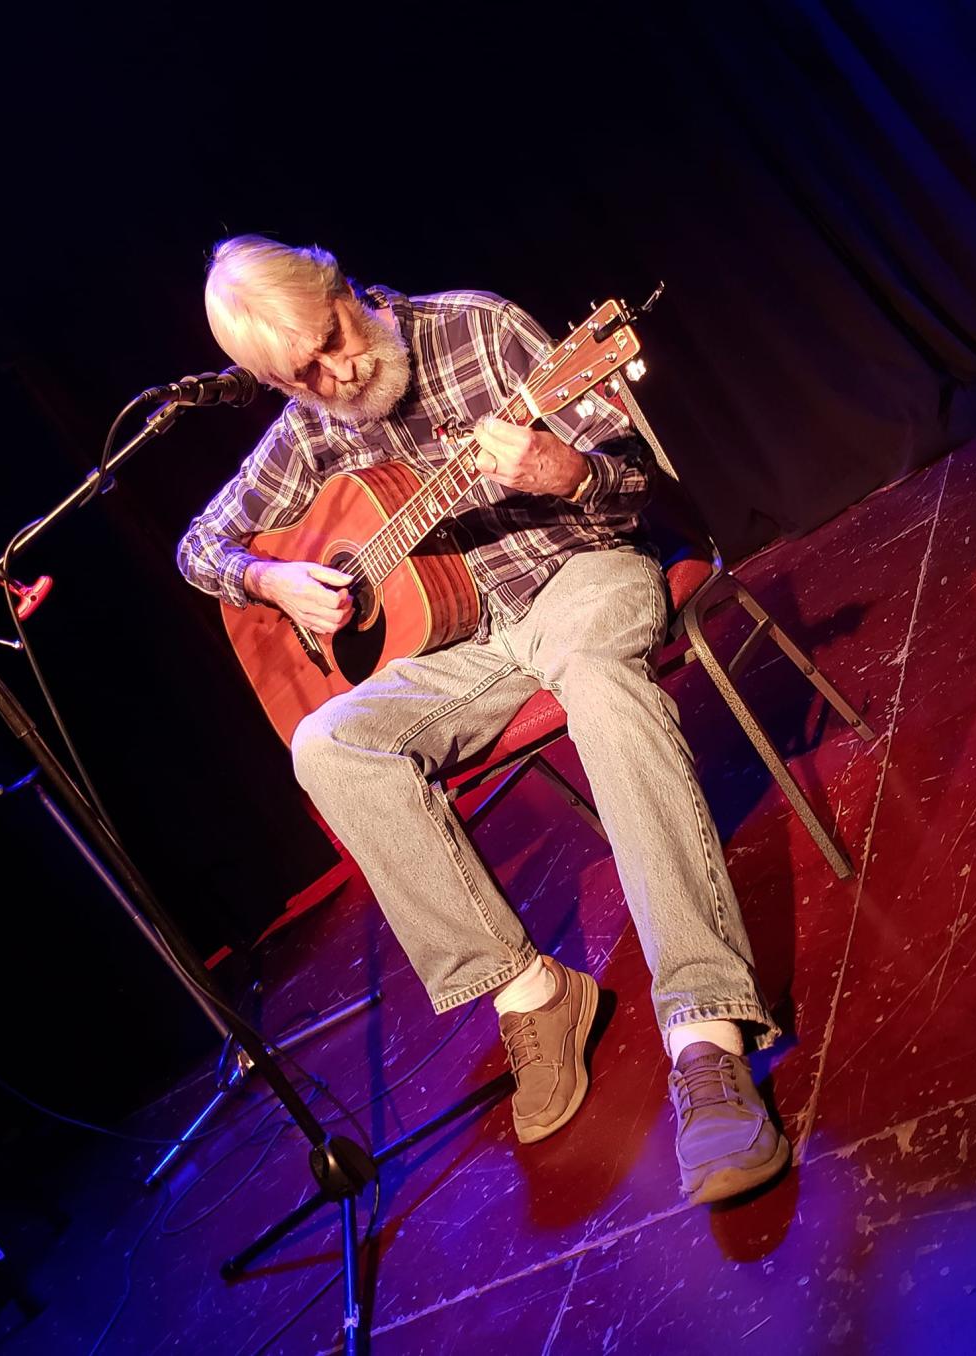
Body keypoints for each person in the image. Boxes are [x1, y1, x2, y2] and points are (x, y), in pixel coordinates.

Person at [178, 235, 789, 1205]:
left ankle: (705, 1035)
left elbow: (636, 477)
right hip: (457, 646)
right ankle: (531, 992)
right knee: (327, 743)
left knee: (597, 679)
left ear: (346, 289)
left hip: (578, 578)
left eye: (333, 341)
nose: (337, 377)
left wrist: (565, 471)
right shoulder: (312, 421)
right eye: (302, 377)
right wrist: (270, 578)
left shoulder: (477, 326)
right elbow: (199, 544)